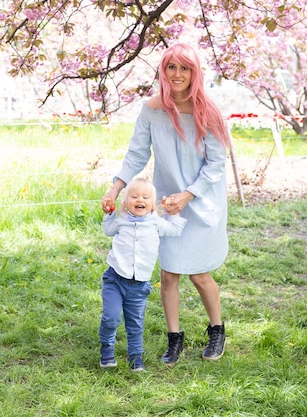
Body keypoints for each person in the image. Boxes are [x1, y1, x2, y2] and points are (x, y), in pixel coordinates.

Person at [101, 43, 231, 367]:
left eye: (184, 68)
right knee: (169, 274)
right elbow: (136, 154)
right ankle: (175, 338)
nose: (177, 74)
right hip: (165, 202)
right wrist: (115, 188)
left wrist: (188, 195)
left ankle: (217, 329)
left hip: (200, 200)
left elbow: (215, 164)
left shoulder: (208, 112)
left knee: (199, 274)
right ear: (163, 71)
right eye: (171, 67)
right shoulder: (152, 110)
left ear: (194, 72)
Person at [99, 177, 187, 371]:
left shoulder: (155, 222)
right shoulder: (122, 219)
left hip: (139, 285)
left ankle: (136, 357)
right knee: (111, 317)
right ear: (126, 201)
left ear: (152, 204)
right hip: (115, 278)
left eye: (146, 197)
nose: (140, 199)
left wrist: (175, 213)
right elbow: (107, 230)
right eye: (135, 196)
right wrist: (109, 213)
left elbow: (174, 230)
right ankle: (106, 349)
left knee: (135, 324)